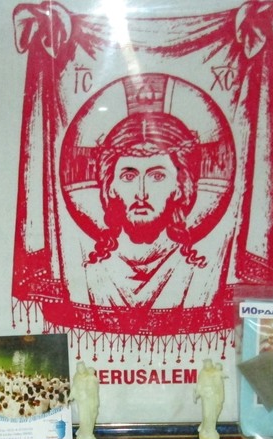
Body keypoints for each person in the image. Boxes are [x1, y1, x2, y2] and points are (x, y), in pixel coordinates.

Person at [82, 111, 211, 309]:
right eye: (128, 177)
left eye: (157, 177)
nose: (141, 194)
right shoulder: (89, 272)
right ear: (110, 187)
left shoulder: (199, 274)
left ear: (179, 188)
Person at [69, 362, 99, 439]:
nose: (80, 370)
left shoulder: (90, 377)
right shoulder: (76, 377)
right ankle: (83, 434)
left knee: (90, 418)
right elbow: (74, 388)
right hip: (81, 402)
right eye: (79, 368)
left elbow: (93, 389)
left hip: (89, 401)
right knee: (83, 419)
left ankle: (88, 435)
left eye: (82, 368)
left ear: (84, 368)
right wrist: (70, 397)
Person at [193, 359, 225, 439]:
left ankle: (211, 431)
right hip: (206, 397)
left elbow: (219, 386)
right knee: (207, 414)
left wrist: (219, 397)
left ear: (211, 364)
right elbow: (199, 385)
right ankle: (205, 430)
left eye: (209, 364)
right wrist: (197, 393)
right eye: (206, 364)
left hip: (214, 397)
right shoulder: (202, 373)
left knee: (213, 414)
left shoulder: (215, 372)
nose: (207, 365)